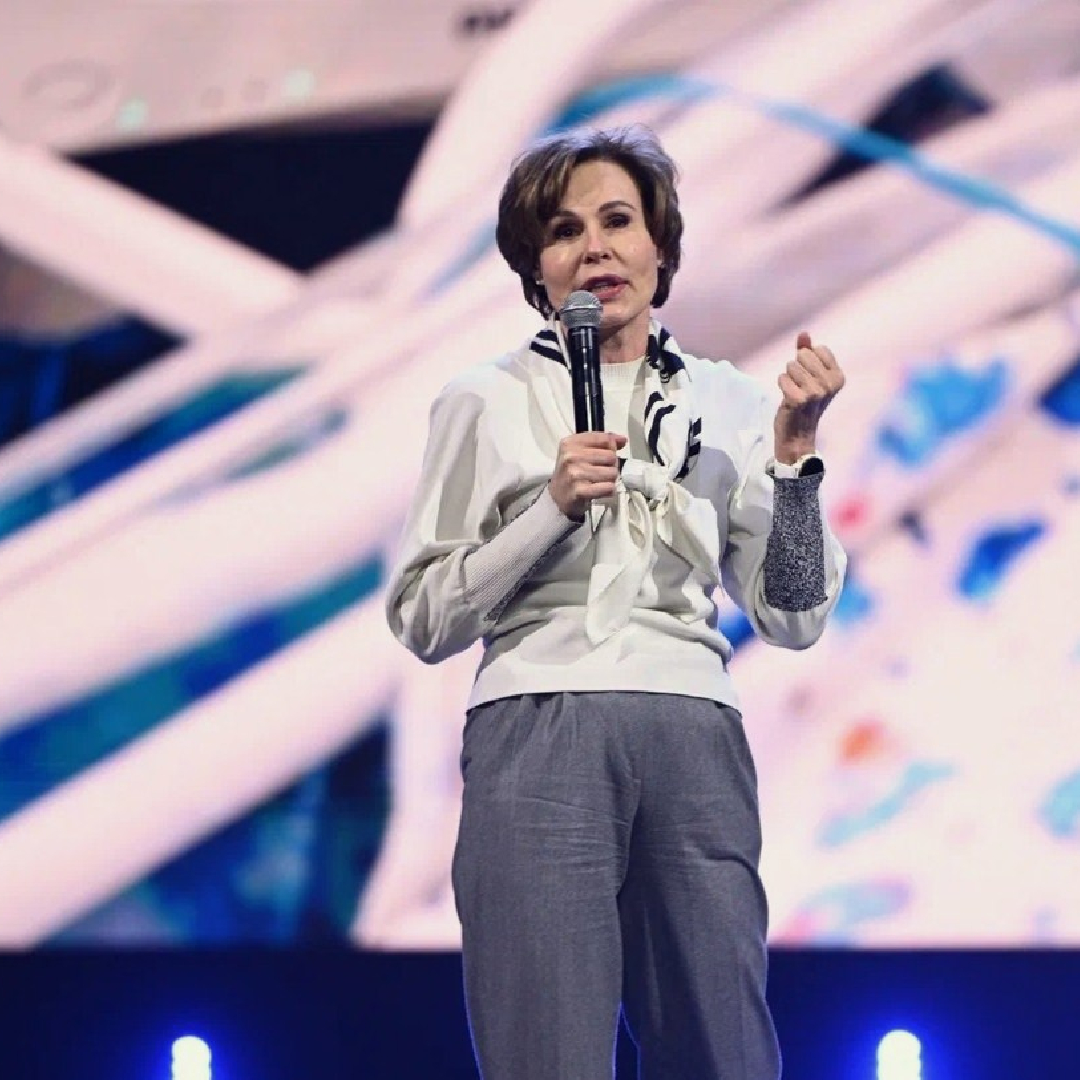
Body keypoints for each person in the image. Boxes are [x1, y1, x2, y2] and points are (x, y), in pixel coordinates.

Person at [384, 124, 847, 1080]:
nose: (593, 247)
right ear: (535, 268)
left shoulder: (731, 401)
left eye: (616, 221)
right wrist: (548, 510)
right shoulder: (484, 400)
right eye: (563, 231)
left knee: (722, 1049)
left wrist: (796, 456)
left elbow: (794, 615)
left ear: (660, 247)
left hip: (689, 728)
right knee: (545, 1053)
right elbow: (424, 616)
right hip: (536, 726)